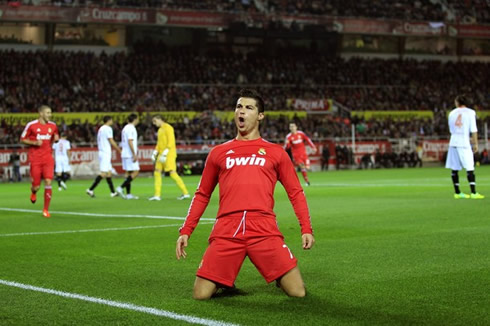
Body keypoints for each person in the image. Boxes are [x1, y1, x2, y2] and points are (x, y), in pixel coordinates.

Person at [176, 89, 315, 300]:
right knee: (200, 294)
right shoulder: (219, 152)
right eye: (238, 107)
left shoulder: (276, 152)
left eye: (248, 107)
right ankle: (224, 281)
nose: (241, 111)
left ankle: (277, 275)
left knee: (298, 292)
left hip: (263, 228)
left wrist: (306, 228)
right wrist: (186, 230)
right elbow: (202, 194)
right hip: (227, 228)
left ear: (260, 116)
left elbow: (295, 192)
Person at [20, 105, 59, 218]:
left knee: (48, 182)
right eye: (47, 113)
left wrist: (56, 139)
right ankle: (33, 192)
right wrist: (34, 143)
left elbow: (55, 135)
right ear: (41, 113)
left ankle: (45, 210)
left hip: (48, 159)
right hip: (35, 159)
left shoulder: (53, 126)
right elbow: (22, 139)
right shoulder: (31, 125)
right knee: (36, 186)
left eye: (50, 113)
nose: (50, 115)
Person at [445, 95, 484, 199]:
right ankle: (473, 193)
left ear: (457, 103)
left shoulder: (451, 113)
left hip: (453, 141)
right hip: (464, 142)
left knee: (454, 168)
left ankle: (457, 193)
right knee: (470, 167)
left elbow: (451, 129)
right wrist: (475, 144)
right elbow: (473, 130)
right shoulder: (471, 112)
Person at [149, 115, 190, 201]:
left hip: (169, 154)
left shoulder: (168, 128)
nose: (154, 123)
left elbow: (171, 142)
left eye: (155, 121)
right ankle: (157, 195)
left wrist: (165, 153)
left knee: (172, 172)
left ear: (160, 119)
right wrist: (155, 152)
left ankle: (185, 192)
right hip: (161, 154)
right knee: (157, 172)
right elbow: (159, 143)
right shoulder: (160, 130)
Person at [86, 116, 121, 198]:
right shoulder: (108, 129)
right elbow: (111, 140)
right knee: (103, 173)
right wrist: (119, 149)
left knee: (109, 173)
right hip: (105, 152)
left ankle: (112, 192)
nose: (112, 121)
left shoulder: (101, 129)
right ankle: (90, 189)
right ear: (108, 121)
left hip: (102, 151)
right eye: (111, 120)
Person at [116, 113, 140, 199]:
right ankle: (120, 187)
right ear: (135, 119)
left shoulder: (125, 128)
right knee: (136, 171)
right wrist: (134, 154)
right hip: (129, 154)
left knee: (128, 173)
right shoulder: (131, 128)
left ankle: (128, 194)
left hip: (125, 153)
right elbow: (130, 141)